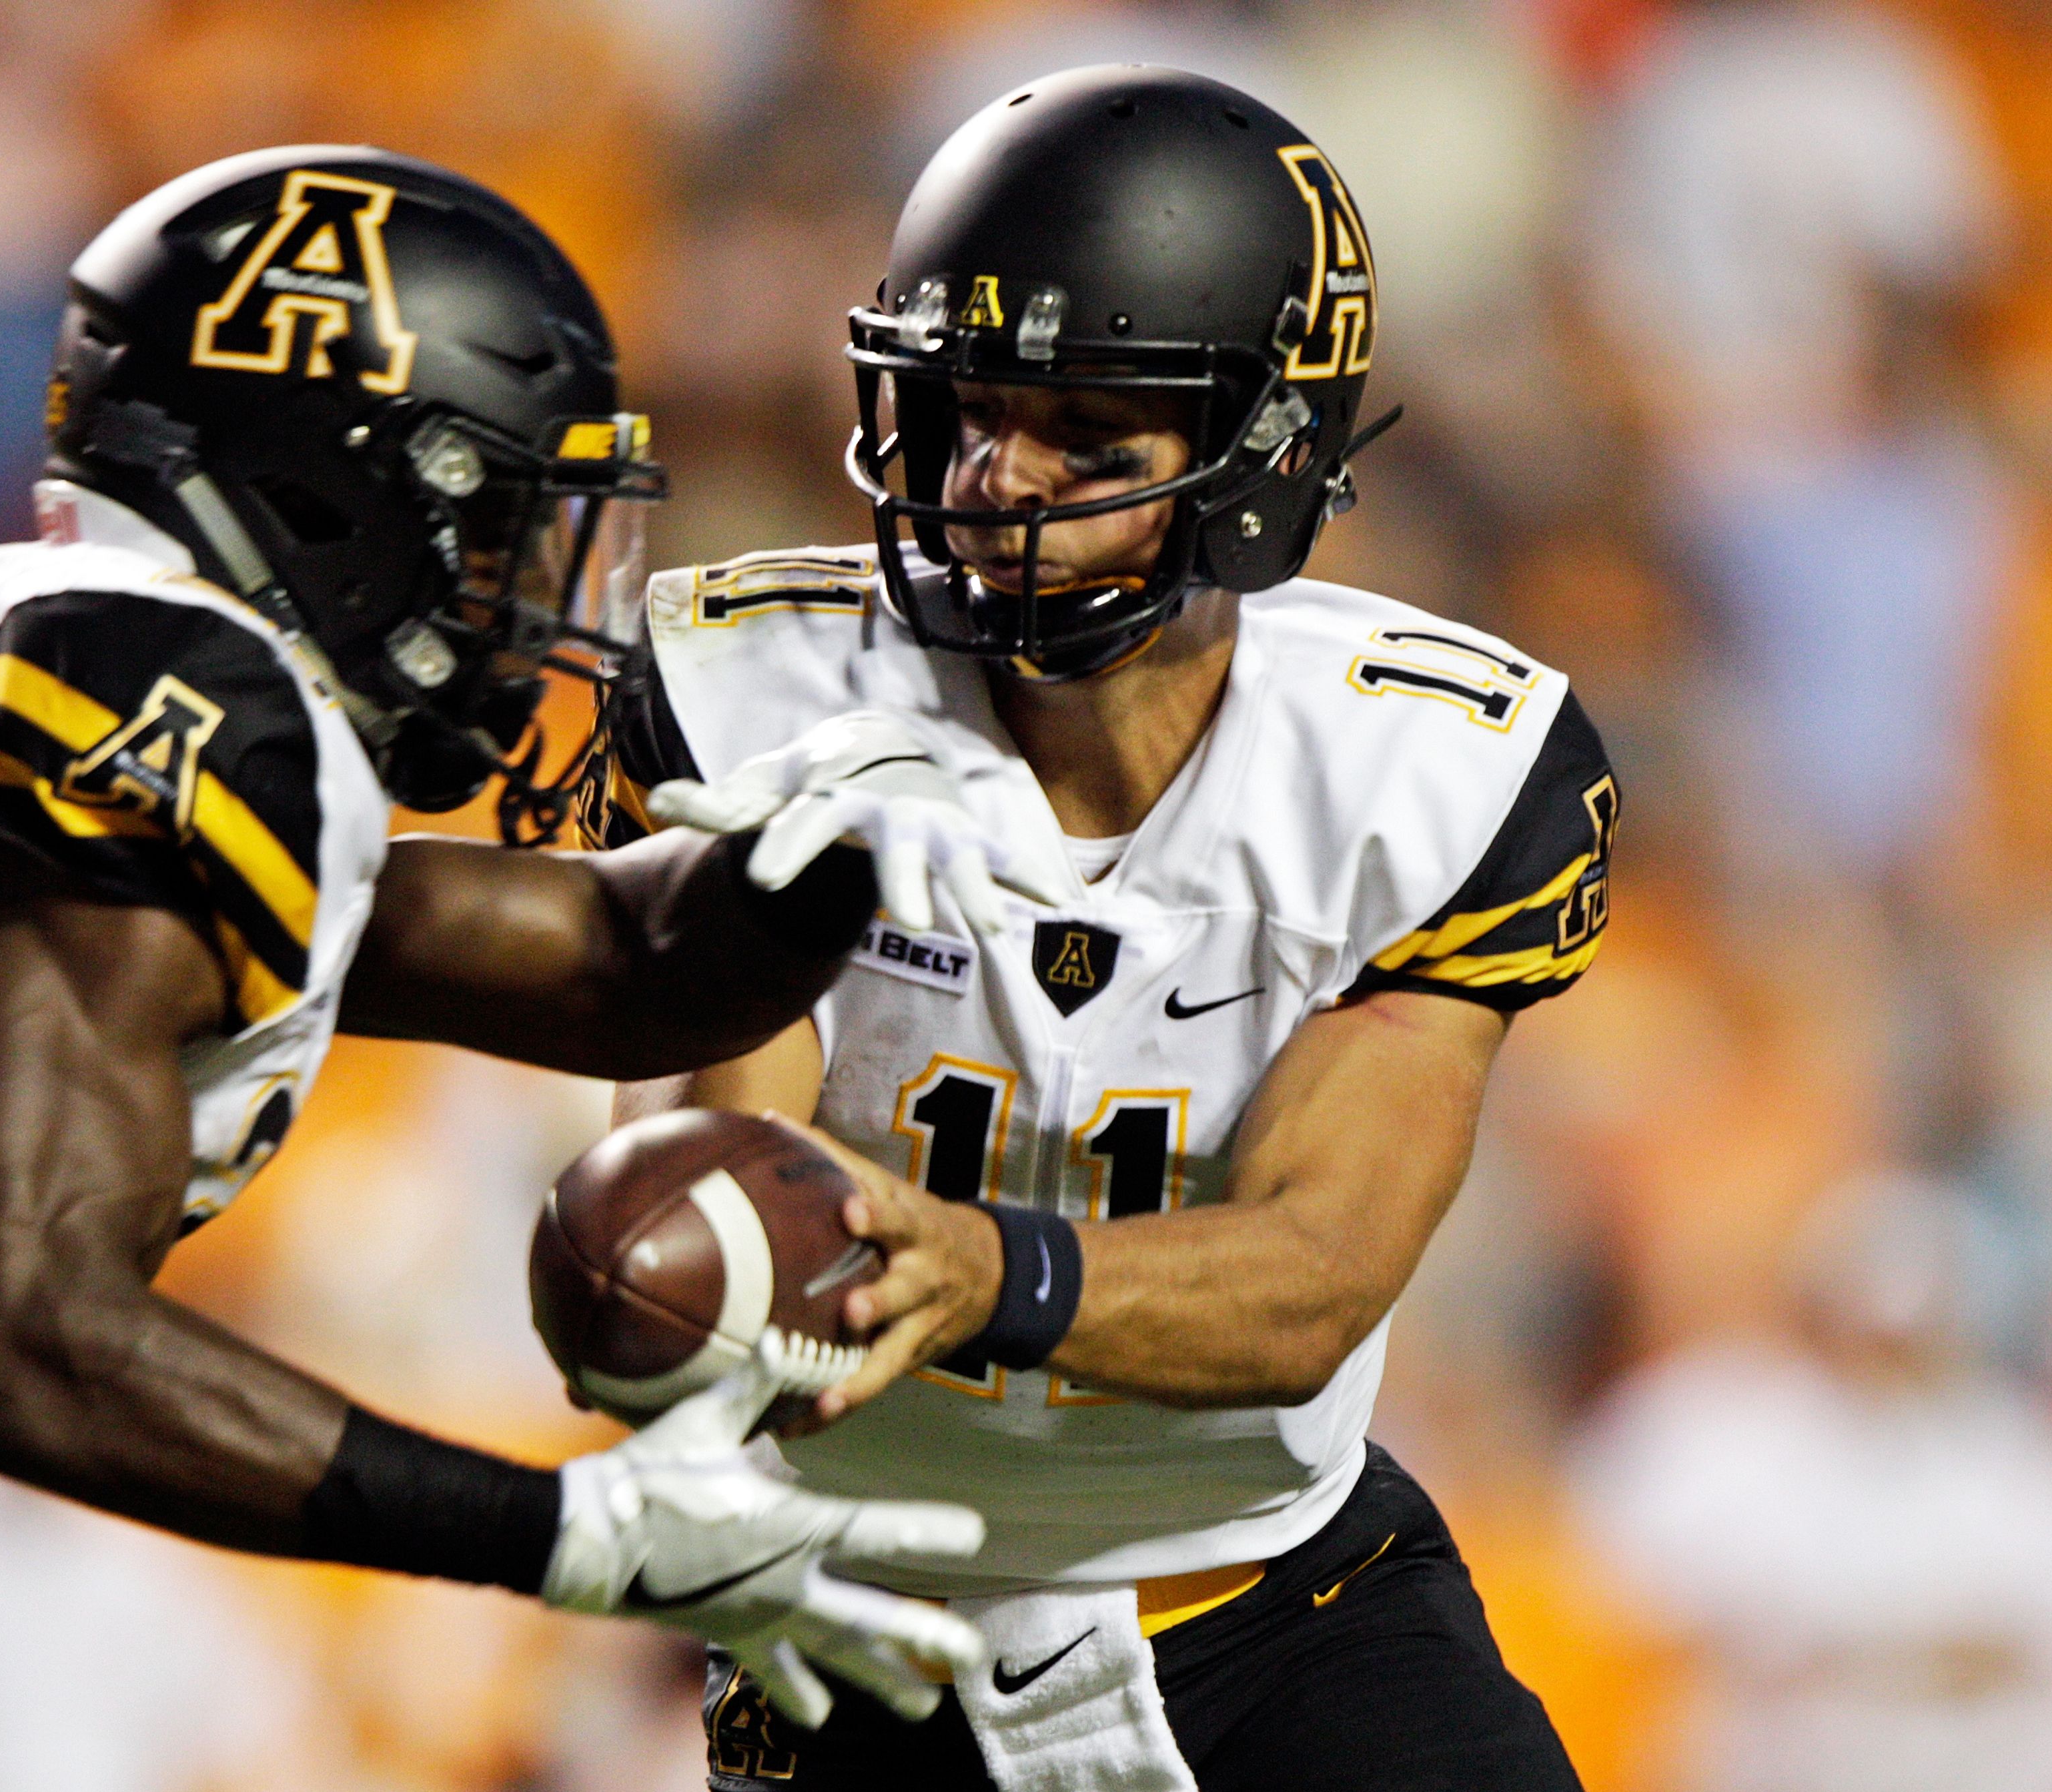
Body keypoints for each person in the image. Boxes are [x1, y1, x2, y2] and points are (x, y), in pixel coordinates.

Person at [0, 145, 1010, 1790]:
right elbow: (25, 1336)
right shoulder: (162, 673)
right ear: (338, 488)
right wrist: (559, 1528)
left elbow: (613, 963)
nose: (523, 594)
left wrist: (859, 834)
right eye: (495, 518)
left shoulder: (145, 668)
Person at [595, 69, 1616, 1792]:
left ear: (1258, 461)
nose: (995, 479)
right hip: (876, 1617)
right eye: (970, 409)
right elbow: (709, 1191)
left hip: (1285, 1597)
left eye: (1088, 435)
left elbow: (1311, 1277)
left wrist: (979, 1268)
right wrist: (699, 1277)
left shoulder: (1421, 772)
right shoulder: (758, 699)